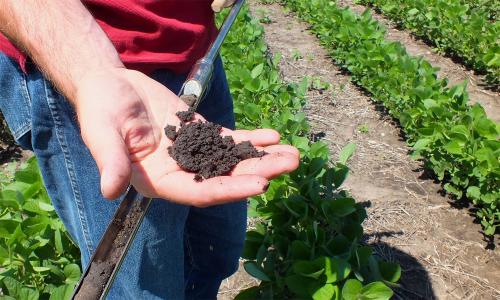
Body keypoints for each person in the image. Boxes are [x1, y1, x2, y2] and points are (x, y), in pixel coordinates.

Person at [0, 1, 299, 299]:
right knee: (142, 290)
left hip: (194, 51)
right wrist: (94, 70)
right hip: (79, 64)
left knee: (215, 254)